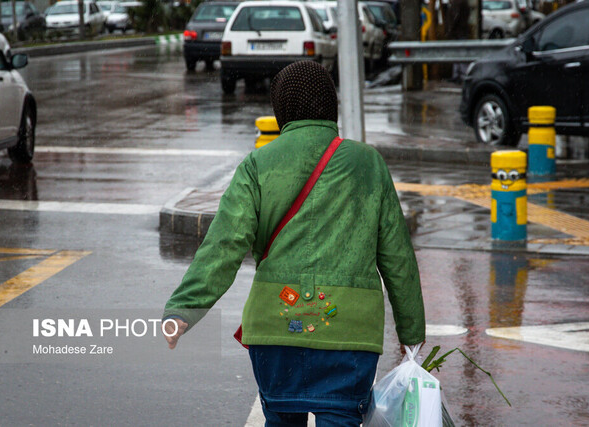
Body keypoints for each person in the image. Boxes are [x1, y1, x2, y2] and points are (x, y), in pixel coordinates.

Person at [162, 61, 426, 427]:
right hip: (350, 337)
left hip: (275, 333)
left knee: (282, 418)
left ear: (280, 109)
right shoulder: (368, 164)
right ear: (331, 106)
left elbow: (223, 246)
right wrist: (412, 332)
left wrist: (182, 310)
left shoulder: (258, 165)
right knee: (341, 418)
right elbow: (397, 257)